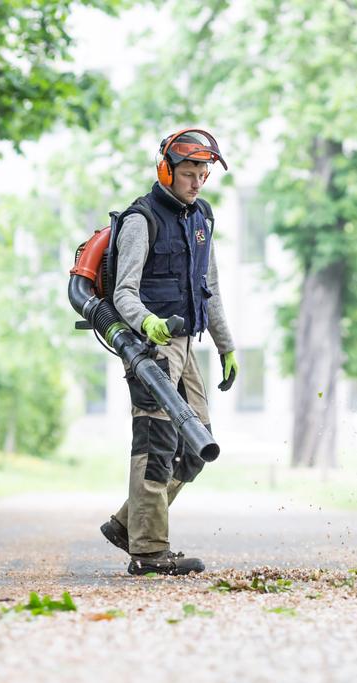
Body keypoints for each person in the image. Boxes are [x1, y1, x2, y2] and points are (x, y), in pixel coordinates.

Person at [99, 128, 238, 576]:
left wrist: (226, 346)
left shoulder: (202, 218)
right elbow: (123, 294)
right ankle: (148, 550)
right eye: (189, 173)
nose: (197, 182)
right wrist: (148, 323)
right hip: (150, 346)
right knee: (156, 444)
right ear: (167, 170)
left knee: (197, 448)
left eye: (204, 174)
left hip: (187, 344)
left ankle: (128, 524)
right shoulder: (143, 220)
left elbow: (209, 288)